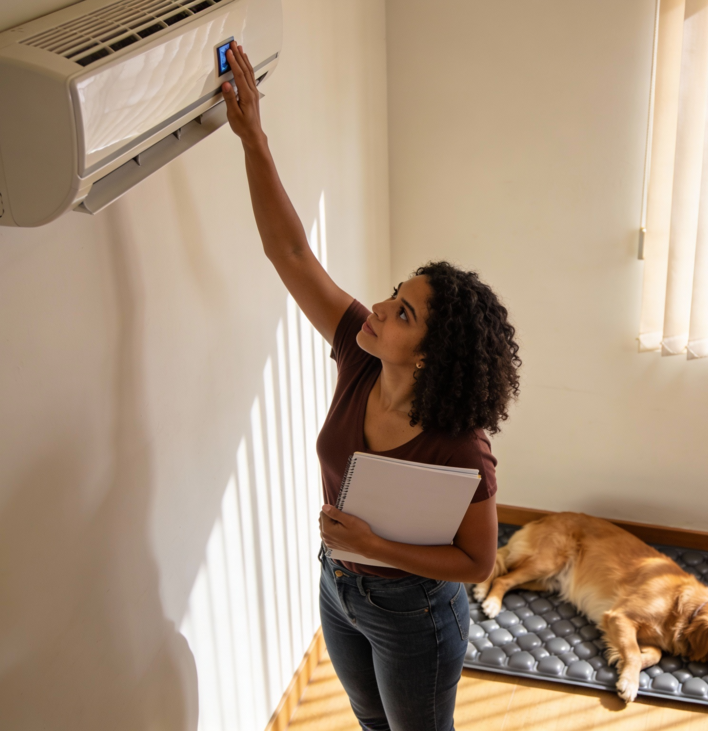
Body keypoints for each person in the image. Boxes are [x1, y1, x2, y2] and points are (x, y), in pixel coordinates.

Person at [220, 42, 520, 731]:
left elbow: (477, 562)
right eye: (393, 295)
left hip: (414, 612)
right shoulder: (360, 354)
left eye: (402, 313)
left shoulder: (461, 449)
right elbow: (289, 252)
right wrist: (254, 139)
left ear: (430, 357)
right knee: (369, 721)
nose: (378, 309)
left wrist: (375, 547)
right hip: (338, 588)